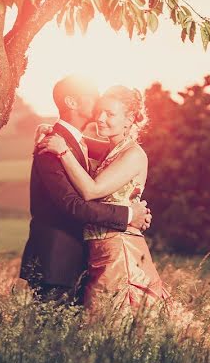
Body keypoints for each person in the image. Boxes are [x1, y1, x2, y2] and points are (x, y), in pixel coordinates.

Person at [19, 76, 152, 305]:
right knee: (52, 335)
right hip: (55, 263)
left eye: (109, 113)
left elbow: (119, 151)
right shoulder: (51, 146)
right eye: (94, 98)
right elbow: (74, 205)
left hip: (86, 260)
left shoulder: (76, 143)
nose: (99, 109)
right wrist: (130, 215)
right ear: (72, 102)